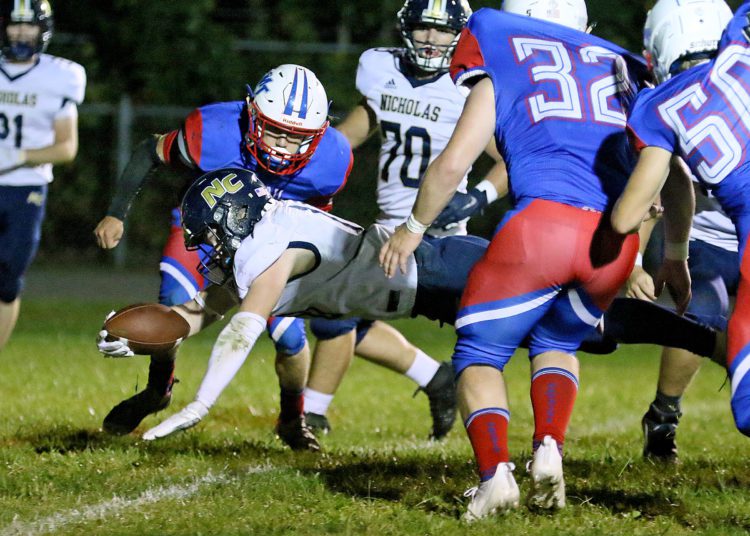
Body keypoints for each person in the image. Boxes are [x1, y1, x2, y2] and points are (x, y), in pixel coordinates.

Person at [97, 168, 721, 443]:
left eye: (208, 232)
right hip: (427, 290)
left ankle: (700, 328)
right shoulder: (259, 242)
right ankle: (689, 322)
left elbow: (244, 325)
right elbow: (209, 310)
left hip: (442, 271)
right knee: (576, 330)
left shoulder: (270, 249)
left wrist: (201, 403)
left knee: (588, 325)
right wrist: (154, 329)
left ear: (232, 219)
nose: (205, 246)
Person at [380, 0, 653, 518]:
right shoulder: (621, 66)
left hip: (542, 228)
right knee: (556, 340)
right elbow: (662, 177)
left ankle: (495, 476)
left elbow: (452, 163)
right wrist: (662, 255)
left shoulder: (504, 49)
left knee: (479, 353)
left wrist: (412, 229)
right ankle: (549, 447)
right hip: (613, 242)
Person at [93, 64, 352, 451]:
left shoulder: (331, 159)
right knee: (170, 306)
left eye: (296, 138)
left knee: (289, 335)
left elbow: (318, 220)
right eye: (275, 130)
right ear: (252, 115)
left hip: (275, 248)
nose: (282, 144)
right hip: (204, 233)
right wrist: (117, 212)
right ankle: (157, 390)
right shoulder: (215, 131)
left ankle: (292, 417)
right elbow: (152, 150)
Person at [303, 0, 508, 439]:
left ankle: (311, 416)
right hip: (388, 226)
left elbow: (512, 159)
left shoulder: (468, 88)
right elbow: (346, 138)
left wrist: (476, 198)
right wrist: (297, 165)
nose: (431, 39)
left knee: (334, 309)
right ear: (405, 29)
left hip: (437, 236)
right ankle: (437, 379)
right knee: (340, 311)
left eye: (442, 30)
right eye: (422, 28)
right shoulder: (383, 74)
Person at [612, 0, 750, 439]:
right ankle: (665, 414)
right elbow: (666, 190)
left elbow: (646, 197)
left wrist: (630, 257)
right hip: (706, 241)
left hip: (725, 238)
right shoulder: (739, 65)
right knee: (701, 312)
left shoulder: (665, 104)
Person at [0, 0, 85, 351]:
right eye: (15, 25)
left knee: (7, 281)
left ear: (43, 29)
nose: (21, 32)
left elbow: (66, 147)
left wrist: (17, 157)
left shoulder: (60, 76)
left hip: (26, 189)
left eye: (29, 25)